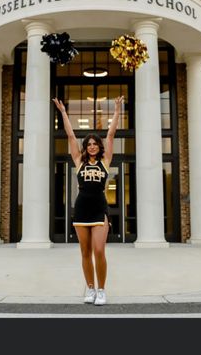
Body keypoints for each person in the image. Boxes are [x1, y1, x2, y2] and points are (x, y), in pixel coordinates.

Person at [53, 95, 124, 305]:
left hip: (99, 207)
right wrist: (64, 113)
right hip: (82, 208)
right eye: (89, 144)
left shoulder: (105, 161)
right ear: (86, 147)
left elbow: (111, 135)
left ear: (99, 147)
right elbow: (70, 135)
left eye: (95, 144)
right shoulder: (79, 161)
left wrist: (118, 111)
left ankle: (102, 290)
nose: (92, 146)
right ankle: (90, 289)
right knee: (85, 251)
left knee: (99, 250)